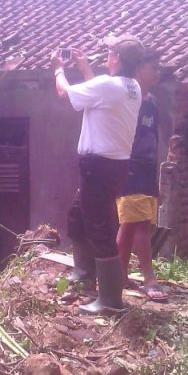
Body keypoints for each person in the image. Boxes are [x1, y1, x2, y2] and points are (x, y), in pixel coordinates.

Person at [53, 34, 144, 314]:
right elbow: (98, 95)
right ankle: (84, 271)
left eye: (109, 52)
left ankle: (110, 301)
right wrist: (84, 70)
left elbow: (65, 93)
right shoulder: (131, 87)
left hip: (99, 166)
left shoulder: (109, 86)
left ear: (116, 58)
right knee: (78, 214)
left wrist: (58, 69)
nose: (106, 56)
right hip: (111, 165)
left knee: (101, 228)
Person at [116, 49, 166, 301]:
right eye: (153, 67)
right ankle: (148, 277)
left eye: (159, 67)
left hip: (147, 166)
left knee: (130, 224)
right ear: (138, 69)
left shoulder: (153, 102)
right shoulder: (126, 98)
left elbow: (153, 137)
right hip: (129, 164)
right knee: (140, 225)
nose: (158, 72)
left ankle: (120, 274)